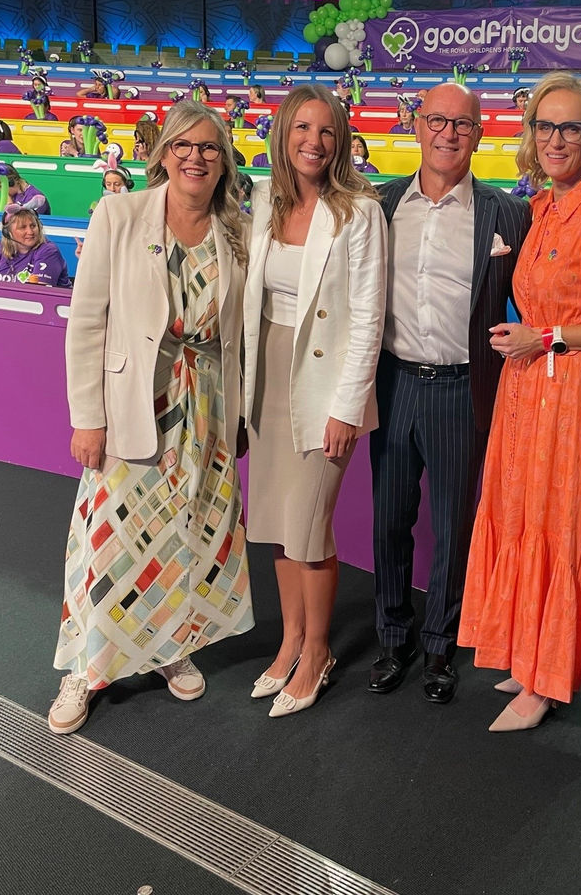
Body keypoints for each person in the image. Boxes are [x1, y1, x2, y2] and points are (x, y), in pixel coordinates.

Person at [51, 99, 251, 735]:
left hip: (206, 409)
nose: (196, 158)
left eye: (209, 148)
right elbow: (87, 321)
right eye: (183, 146)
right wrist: (88, 416)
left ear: (223, 161)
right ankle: (84, 667)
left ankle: (172, 645)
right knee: (109, 539)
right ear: (163, 152)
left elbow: (238, 335)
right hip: (135, 405)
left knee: (186, 532)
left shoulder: (237, 230)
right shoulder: (120, 213)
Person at [459, 71, 581, 732]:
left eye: (571, 126)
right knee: (523, 515)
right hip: (525, 387)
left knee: (566, 527)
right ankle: (532, 651)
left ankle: (549, 679)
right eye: (545, 126)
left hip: (573, 392)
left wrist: (552, 336)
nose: (556, 139)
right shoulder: (535, 209)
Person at [369, 82, 532, 704]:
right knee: (390, 521)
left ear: (480, 133)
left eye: (462, 124)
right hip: (393, 382)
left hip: (465, 390)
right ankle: (392, 634)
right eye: (437, 120)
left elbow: (540, 292)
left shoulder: (506, 214)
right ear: (416, 124)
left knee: (454, 527)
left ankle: (440, 644)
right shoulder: (379, 205)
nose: (448, 134)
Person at [240, 84, 387, 718]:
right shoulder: (261, 203)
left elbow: (367, 319)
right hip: (269, 374)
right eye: (302, 128)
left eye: (327, 131)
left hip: (327, 384)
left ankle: (319, 650)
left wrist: (347, 407)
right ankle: (291, 640)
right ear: (283, 133)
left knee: (309, 524)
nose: (314, 142)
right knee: (276, 522)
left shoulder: (359, 211)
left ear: (342, 141)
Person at [0, 207, 70, 287]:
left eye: (33, 226)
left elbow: (38, 294)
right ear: (8, 233)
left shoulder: (48, 251)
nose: (30, 232)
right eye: (22, 227)